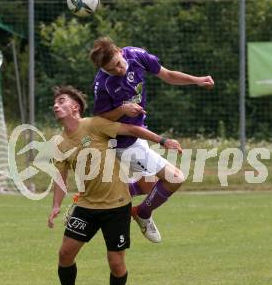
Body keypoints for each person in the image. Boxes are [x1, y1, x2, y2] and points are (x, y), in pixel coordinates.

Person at [47, 85, 181, 285]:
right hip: (86, 206)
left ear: (75, 107)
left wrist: (162, 140)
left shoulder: (95, 124)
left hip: (117, 206)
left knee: (116, 263)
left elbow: (130, 129)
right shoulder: (59, 143)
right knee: (65, 255)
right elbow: (60, 176)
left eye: (62, 101)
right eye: (55, 103)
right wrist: (56, 205)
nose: (56, 105)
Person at [89, 37, 214, 243]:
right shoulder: (102, 84)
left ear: (120, 51)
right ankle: (141, 213)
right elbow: (99, 121)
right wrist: (122, 109)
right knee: (174, 178)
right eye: (112, 70)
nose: (119, 70)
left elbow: (167, 75)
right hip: (124, 142)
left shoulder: (136, 55)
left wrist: (196, 80)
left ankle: (95, 199)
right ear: (104, 70)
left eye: (119, 64)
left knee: (150, 186)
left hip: (139, 133)